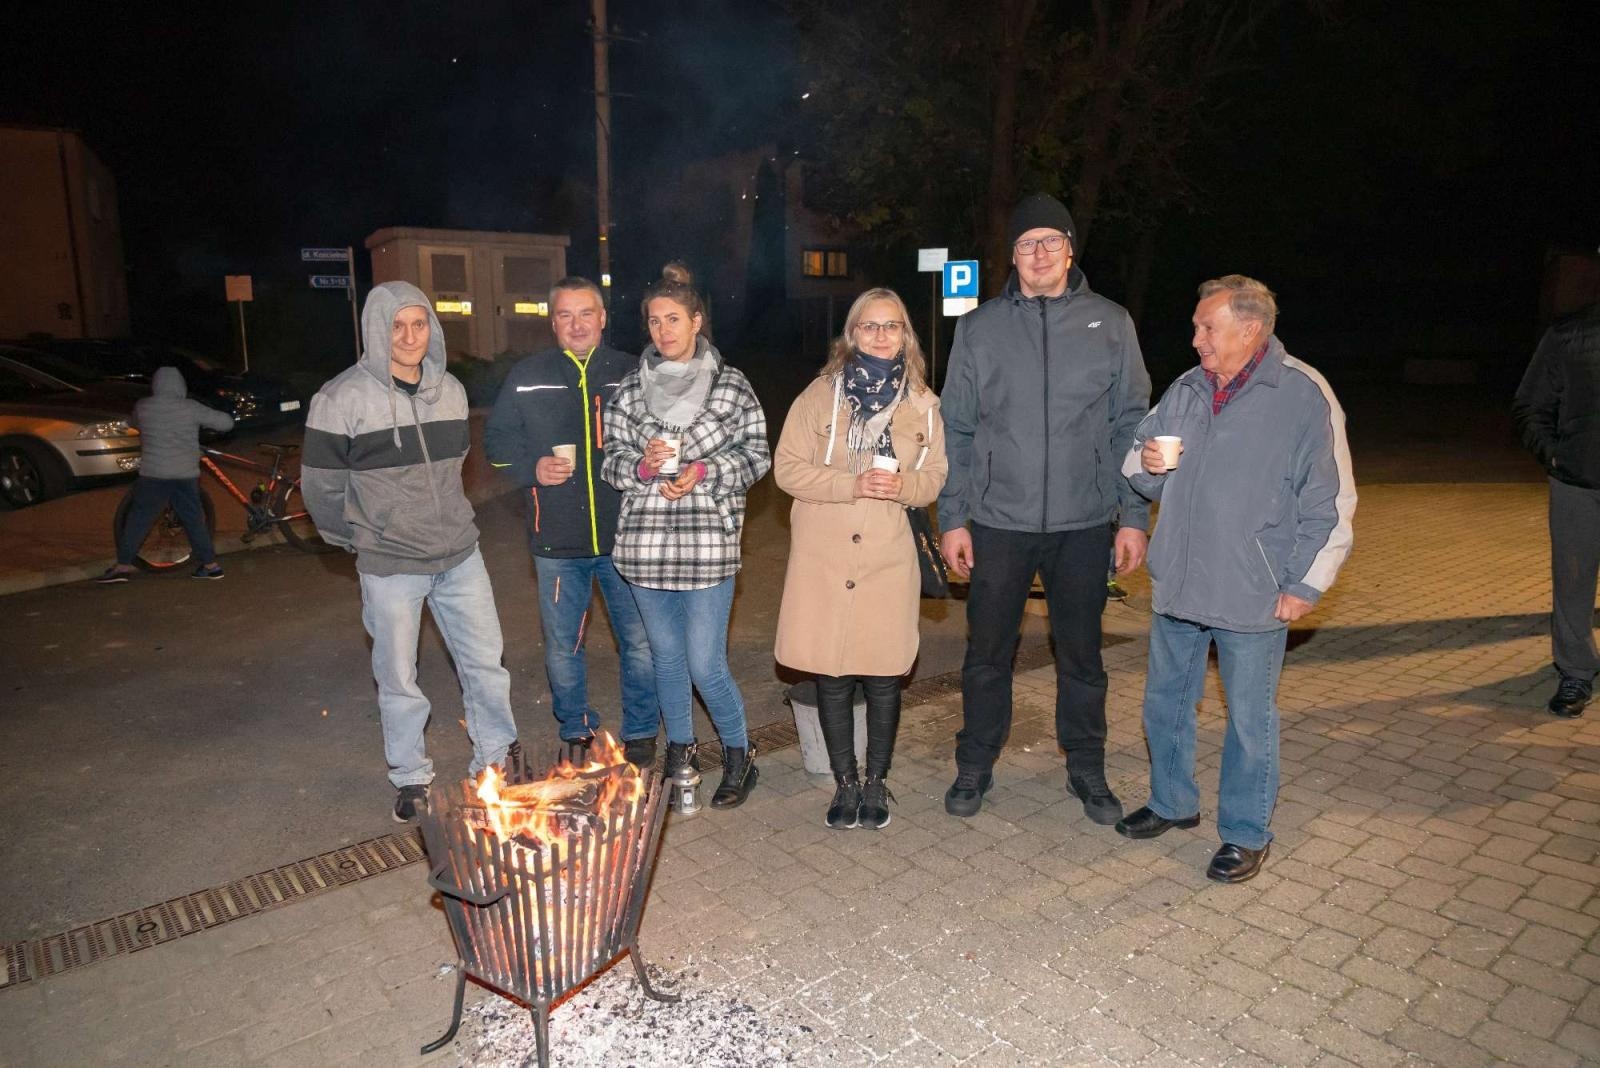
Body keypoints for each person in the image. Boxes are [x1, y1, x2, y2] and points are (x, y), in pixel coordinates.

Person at [1116, 275, 1355, 883]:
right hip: (1180, 579)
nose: (1195, 338)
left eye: (1206, 327)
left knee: (1250, 718)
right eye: (1197, 326)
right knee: (1166, 702)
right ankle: (1172, 803)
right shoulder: (1188, 388)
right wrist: (1144, 464)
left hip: (1254, 586)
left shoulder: (1303, 394)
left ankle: (1246, 832)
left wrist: (1305, 583)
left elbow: (1331, 500)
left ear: (1250, 329)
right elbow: (1139, 459)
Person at [936, 193, 1152, 824]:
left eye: (1049, 243)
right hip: (998, 521)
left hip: (1085, 522)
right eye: (1026, 244)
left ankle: (1086, 765)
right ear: (1012, 256)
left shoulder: (1111, 323)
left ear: (1069, 251)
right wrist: (953, 517)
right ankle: (975, 761)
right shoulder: (979, 327)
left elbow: (1130, 424)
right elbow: (958, 429)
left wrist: (1133, 515)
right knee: (986, 655)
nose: (1038, 254)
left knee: (1082, 656)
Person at [301, 281, 519, 822]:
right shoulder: (340, 398)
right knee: (399, 677)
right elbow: (321, 488)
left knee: (486, 664)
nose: (409, 336)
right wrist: (359, 536)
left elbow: (457, 465)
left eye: (419, 324)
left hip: (460, 554)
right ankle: (410, 776)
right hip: (391, 564)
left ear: (433, 328)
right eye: (396, 325)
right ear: (377, 328)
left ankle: (495, 760)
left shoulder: (451, 391)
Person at [773, 288, 949, 829]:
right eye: (869, 326)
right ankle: (844, 784)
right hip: (824, 555)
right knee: (831, 672)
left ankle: (876, 783)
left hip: (887, 555)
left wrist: (899, 487)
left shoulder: (923, 402)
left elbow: (936, 477)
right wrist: (852, 484)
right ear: (851, 334)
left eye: (891, 326)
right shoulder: (818, 396)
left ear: (905, 336)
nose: (880, 335)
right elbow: (786, 469)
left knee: (882, 674)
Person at [601, 264, 770, 808]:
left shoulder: (731, 385)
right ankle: (682, 752)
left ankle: (740, 755)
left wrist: (705, 472)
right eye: (654, 321)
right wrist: (645, 469)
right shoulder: (629, 389)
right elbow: (611, 463)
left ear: (696, 321)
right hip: (645, 550)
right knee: (667, 660)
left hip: (707, 548)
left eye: (673, 318)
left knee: (705, 663)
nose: (663, 330)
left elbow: (756, 457)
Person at [485, 277, 660, 766]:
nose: (577, 324)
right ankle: (576, 727)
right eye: (565, 315)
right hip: (556, 542)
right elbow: (496, 447)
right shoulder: (527, 375)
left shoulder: (633, 372)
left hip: (626, 540)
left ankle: (642, 731)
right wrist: (531, 470)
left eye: (586, 313)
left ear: (603, 318)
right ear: (553, 322)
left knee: (640, 642)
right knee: (563, 646)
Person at [1513, 301, 1600, 718]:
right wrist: (1555, 457)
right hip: (1578, 485)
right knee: (1573, 584)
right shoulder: (1569, 334)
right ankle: (1576, 672)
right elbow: (1529, 404)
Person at [97, 366, 234, 583]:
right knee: (194, 520)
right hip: (185, 475)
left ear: (155, 385)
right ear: (181, 386)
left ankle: (122, 566)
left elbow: (132, 422)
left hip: (153, 475)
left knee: (139, 519)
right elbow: (226, 423)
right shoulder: (190, 407)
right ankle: (211, 566)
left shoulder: (144, 407)